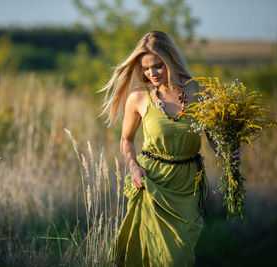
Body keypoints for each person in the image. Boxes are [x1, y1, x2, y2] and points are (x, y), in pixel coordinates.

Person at [98, 31, 240, 266]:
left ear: (171, 60)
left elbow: (214, 138)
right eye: (145, 68)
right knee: (151, 256)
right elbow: (126, 139)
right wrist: (133, 165)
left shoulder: (200, 92)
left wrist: (228, 153)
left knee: (178, 257)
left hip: (188, 184)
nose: (151, 73)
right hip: (152, 183)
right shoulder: (138, 97)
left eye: (157, 66)